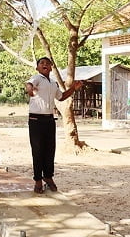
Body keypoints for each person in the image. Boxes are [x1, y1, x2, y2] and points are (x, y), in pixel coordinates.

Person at [25, 57, 83, 194]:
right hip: (35, 119)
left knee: (50, 149)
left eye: (47, 63)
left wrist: (73, 88)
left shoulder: (53, 83)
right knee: (37, 150)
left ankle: (48, 176)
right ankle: (38, 180)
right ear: (37, 67)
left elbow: (61, 97)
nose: (45, 65)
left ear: (51, 67)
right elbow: (29, 84)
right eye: (41, 63)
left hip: (49, 119)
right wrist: (30, 89)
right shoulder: (36, 78)